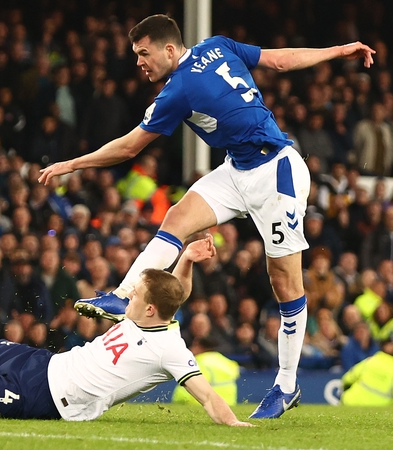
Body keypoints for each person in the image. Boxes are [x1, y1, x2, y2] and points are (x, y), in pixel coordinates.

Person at [37, 14, 375, 419]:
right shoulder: (217, 45)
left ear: (168, 49)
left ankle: (286, 384)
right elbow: (280, 61)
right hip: (238, 168)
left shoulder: (178, 89)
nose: (139, 62)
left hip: (277, 172)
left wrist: (72, 164)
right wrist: (339, 51)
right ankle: (122, 295)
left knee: (285, 281)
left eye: (143, 53)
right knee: (177, 219)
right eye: (135, 55)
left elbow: (128, 148)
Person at [0, 236, 251, 425]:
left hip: (47, 398)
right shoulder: (147, 312)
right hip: (45, 362)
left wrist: (234, 424)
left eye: (132, 295)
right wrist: (189, 257)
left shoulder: (172, 351)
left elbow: (208, 397)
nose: (122, 298)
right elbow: (175, 292)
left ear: (148, 307)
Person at [340, 337, 393, 406]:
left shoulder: (371, 360)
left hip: (352, 401)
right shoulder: (371, 360)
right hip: (381, 407)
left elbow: (347, 378)